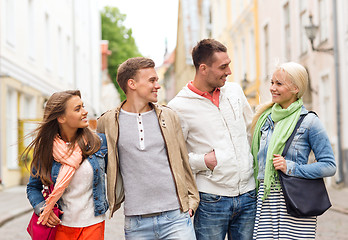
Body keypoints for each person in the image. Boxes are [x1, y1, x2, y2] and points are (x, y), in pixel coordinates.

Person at [97, 57, 199, 240]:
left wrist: (192, 200)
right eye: (152, 80)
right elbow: (103, 165)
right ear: (132, 83)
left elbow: (182, 160)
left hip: (175, 217)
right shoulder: (107, 122)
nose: (157, 85)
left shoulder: (169, 116)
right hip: (136, 222)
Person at [168, 39, 256, 240]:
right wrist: (203, 162)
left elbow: (252, 131)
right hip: (211, 199)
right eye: (223, 67)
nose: (229, 72)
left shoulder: (234, 92)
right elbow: (173, 157)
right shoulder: (178, 107)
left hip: (249, 194)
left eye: (229, 64)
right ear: (203, 68)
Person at [251, 62, 336, 239]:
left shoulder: (309, 122)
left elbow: (329, 166)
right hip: (265, 199)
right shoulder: (264, 119)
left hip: (293, 199)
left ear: (296, 88)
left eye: (279, 84)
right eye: (272, 82)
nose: (272, 88)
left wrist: (291, 167)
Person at [26, 90, 108, 239]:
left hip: (93, 224)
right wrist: (43, 208)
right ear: (61, 118)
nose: (85, 112)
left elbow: (118, 171)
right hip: (60, 225)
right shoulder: (46, 149)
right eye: (78, 109)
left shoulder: (98, 143)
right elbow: (33, 187)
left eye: (83, 106)